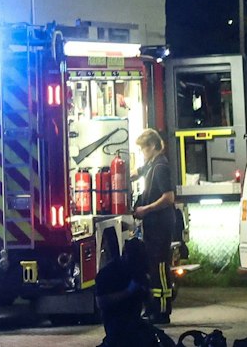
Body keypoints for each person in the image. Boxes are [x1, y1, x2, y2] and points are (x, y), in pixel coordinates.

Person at [130, 128, 180, 323]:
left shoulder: (161, 167)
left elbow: (168, 198)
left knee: (160, 267)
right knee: (155, 266)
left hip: (160, 225)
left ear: (152, 147)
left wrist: (146, 210)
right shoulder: (152, 164)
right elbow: (140, 171)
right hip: (155, 225)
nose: (142, 153)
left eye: (143, 149)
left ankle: (161, 311)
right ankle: (156, 309)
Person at [94, 230, 157, 347]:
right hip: (116, 323)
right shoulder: (109, 273)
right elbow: (101, 302)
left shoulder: (139, 270)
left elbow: (149, 302)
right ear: (126, 255)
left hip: (135, 321)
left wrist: (147, 291)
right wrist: (127, 292)